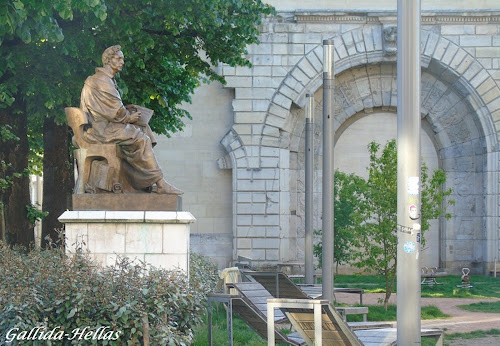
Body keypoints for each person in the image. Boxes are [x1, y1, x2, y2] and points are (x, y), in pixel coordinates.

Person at [80, 45, 181, 194]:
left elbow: (110, 108)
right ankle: (159, 183)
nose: (122, 62)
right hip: (102, 129)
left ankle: (141, 183)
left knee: (144, 128)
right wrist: (129, 117)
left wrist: (129, 114)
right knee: (142, 139)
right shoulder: (101, 81)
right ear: (108, 60)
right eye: (118, 58)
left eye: (123, 59)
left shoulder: (106, 80)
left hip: (105, 125)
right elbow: (116, 112)